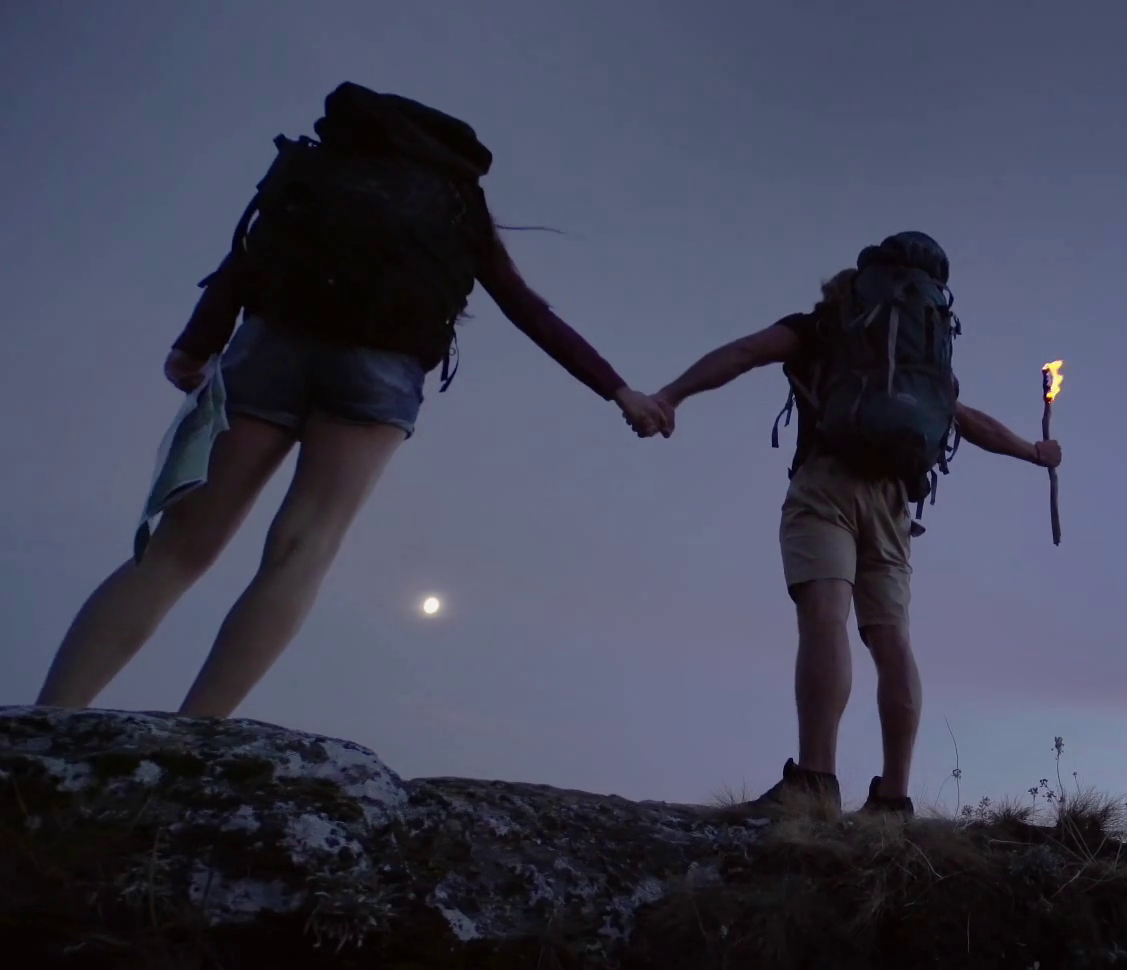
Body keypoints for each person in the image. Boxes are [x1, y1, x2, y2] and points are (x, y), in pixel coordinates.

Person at [34, 82, 667, 719]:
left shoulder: (319, 167)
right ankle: (199, 731)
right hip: (381, 370)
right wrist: (617, 389)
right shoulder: (455, 198)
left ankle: (51, 717)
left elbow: (245, 258)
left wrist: (194, 346)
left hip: (271, 349)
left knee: (176, 549)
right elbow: (527, 309)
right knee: (301, 547)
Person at [641, 231, 1062, 818]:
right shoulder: (923, 361)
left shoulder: (823, 327)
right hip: (894, 503)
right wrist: (1032, 452)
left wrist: (671, 394)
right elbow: (966, 421)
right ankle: (894, 799)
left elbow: (743, 353)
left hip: (828, 484)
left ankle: (816, 780)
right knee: (892, 642)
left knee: (825, 617)